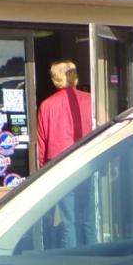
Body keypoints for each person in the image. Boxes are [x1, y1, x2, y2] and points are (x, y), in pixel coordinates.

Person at [36, 60, 96, 246]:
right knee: (89, 217)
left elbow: (41, 144)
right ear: (75, 76)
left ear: (55, 80)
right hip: (89, 161)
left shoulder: (47, 105)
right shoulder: (92, 100)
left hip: (59, 167)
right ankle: (96, 258)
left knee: (68, 220)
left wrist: (40, 174)